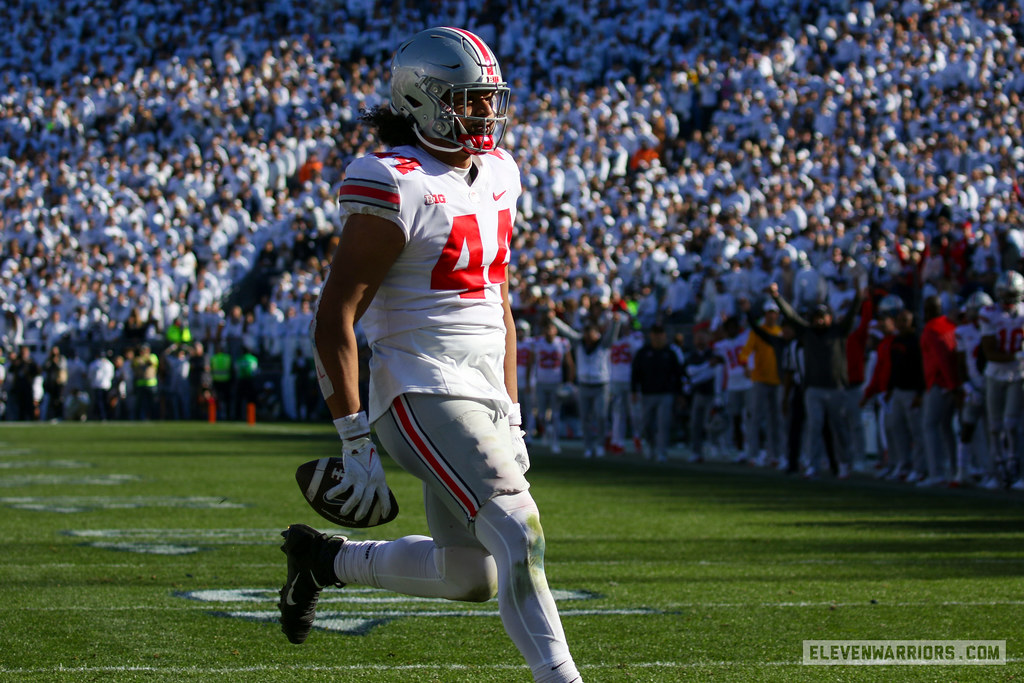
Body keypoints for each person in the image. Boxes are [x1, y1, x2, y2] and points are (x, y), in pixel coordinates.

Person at [278, 28, 582, 683]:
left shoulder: (500, 172)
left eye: (487, 100)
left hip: (481, 391)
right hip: (418, 383)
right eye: (469, 101)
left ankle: (325, 561)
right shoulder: (393, 179)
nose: (484, 113)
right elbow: (335, 315)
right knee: (519, 526)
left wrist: (513, 411)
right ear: (422, 100)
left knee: (471, 574)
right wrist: (355, 438)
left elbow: (496, 303)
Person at [768, 282, 863, 478]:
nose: (820, 321)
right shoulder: (807, 333)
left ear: (830, 317)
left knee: (839, 428)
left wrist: (859, 297)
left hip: (836, 388)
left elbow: (853, 315)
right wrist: (777, 297)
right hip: (813, 389)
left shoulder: (838, 331)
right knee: (814, 426)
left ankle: (844, 463)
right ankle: (813, 464)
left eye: (823, 317)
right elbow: (791, 316)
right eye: (817, 317)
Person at [979, 270, 1024, 489]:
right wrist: (1016, 355)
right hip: (995, 373)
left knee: (1012, 424)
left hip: (1017, 374)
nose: (1008, 300)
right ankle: (996, 471)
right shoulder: (989, 313)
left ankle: (1014, 469)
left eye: (1012, 295)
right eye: (1005, 294)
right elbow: (989, 351)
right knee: (995, 426)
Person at [955, 291, 994, 487]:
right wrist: (967, 386)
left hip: (994, 383)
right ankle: (963, 470)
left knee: (994, 430)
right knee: (967, 428)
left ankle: (993, 471)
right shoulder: (963, 332)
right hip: (974, 385)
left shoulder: (995, 327)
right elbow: (961, 362)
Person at [919, 295, 958, 487]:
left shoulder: (932, 329)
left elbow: (942, 358)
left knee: (930, 426)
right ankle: (954, 469)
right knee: (946, 427)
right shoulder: (949, 325)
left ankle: (937, 472)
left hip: (939, 383)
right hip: (950, 383)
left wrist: (951, 385)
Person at [631, 323, 683, 462]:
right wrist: (634, 390)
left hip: (666, 393)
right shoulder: (643, 352)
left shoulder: (670, 353)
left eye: (660, 334)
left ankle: (662, 451)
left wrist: (679, 393)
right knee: (647, 423)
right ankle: (650, 445)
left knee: (663, 424)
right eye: (655, 333)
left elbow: (678, 374)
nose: (658, 337)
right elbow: (635, 373)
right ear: (651, 335)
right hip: (647, 393)